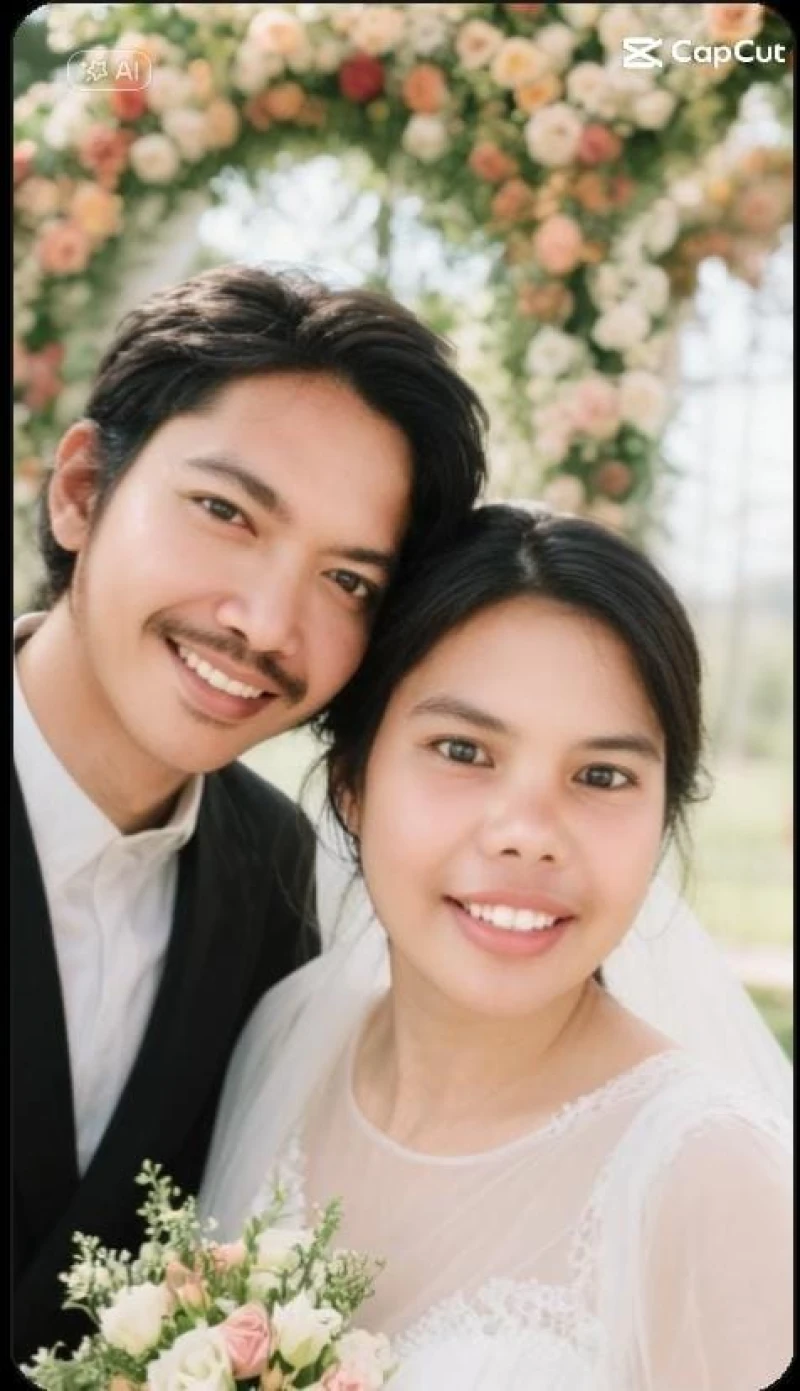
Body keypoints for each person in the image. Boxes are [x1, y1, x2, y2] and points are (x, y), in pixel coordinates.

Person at [201, 504, 792, 1391]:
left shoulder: (713, 1182)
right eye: (463, 749)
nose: (528, 833)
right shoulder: (285, 1033)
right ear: (352, 782)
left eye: (602, 775)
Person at [12, 264, 488, 1363]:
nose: (267, 624)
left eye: (348, 581)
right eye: (226, 513)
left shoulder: (282, 877)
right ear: (81, 491)